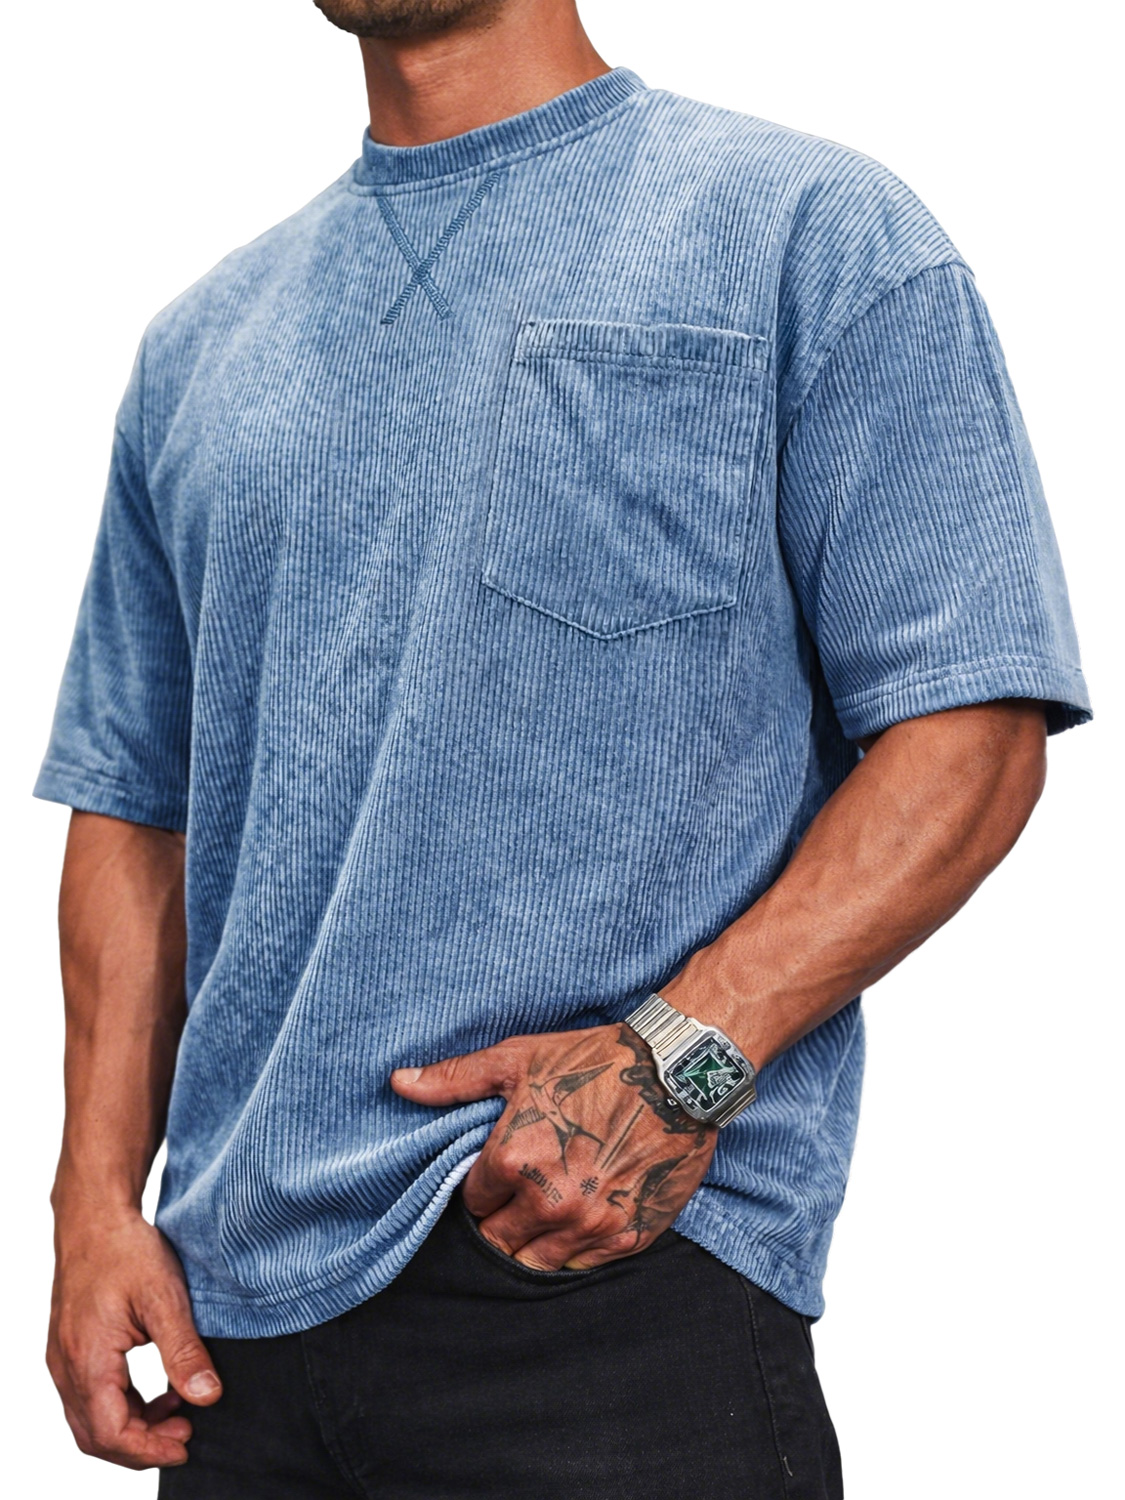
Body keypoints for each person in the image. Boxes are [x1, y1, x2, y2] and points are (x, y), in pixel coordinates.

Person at [35, 0, 1091, 1494]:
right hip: (238, 1344)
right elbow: (136, 809)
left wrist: (676, 1062)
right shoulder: (201, 346)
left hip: (607, 1285)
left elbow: (968, 725)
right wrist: (92, 1205)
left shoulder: (811, 232)